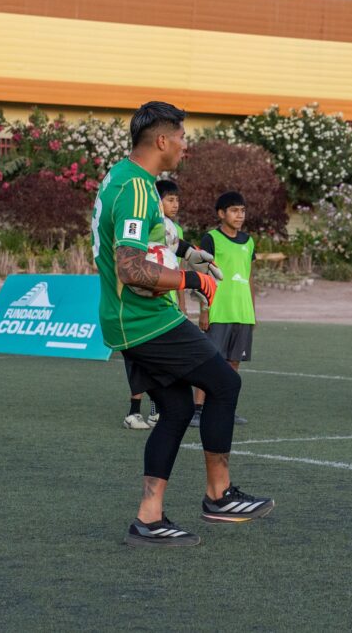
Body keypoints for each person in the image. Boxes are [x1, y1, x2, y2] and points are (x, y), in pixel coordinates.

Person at [93, 101, 273, 548]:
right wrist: (191, 280)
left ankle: (148, 518)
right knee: (224, 385)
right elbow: (132, 269)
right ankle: (219, 495)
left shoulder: (125, 178)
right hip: (143, 318)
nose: (184, 147)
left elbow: (151, 242)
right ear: (161, 140)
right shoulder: (136, 187)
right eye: (181, 138)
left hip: (130, 319)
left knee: (175, 409)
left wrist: (186, 255)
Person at [124, 177, 188, 430]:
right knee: (139, 360)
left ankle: (156, 410)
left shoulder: (175, 230)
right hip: (141, 300)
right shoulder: (141, 223)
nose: (175, 204)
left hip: (166, 301)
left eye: (177, 200)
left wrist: (182, 302)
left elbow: (178, 267)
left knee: (162, 362)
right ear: (156, 201)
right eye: (170, 199)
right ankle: (132, 412)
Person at [191, 191, 255, 428]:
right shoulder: (211, 239)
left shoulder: (249, 242)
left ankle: (227, 408)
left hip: (242, 312)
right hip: (218, 310)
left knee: (233, 363)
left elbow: (249, 277)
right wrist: (205, 309)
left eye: (243, 210)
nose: (240, 215)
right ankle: (197, 409)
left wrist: (253, 312)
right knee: (209, 361)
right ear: (221, 213)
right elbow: (202, 275)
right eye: (235, 210)